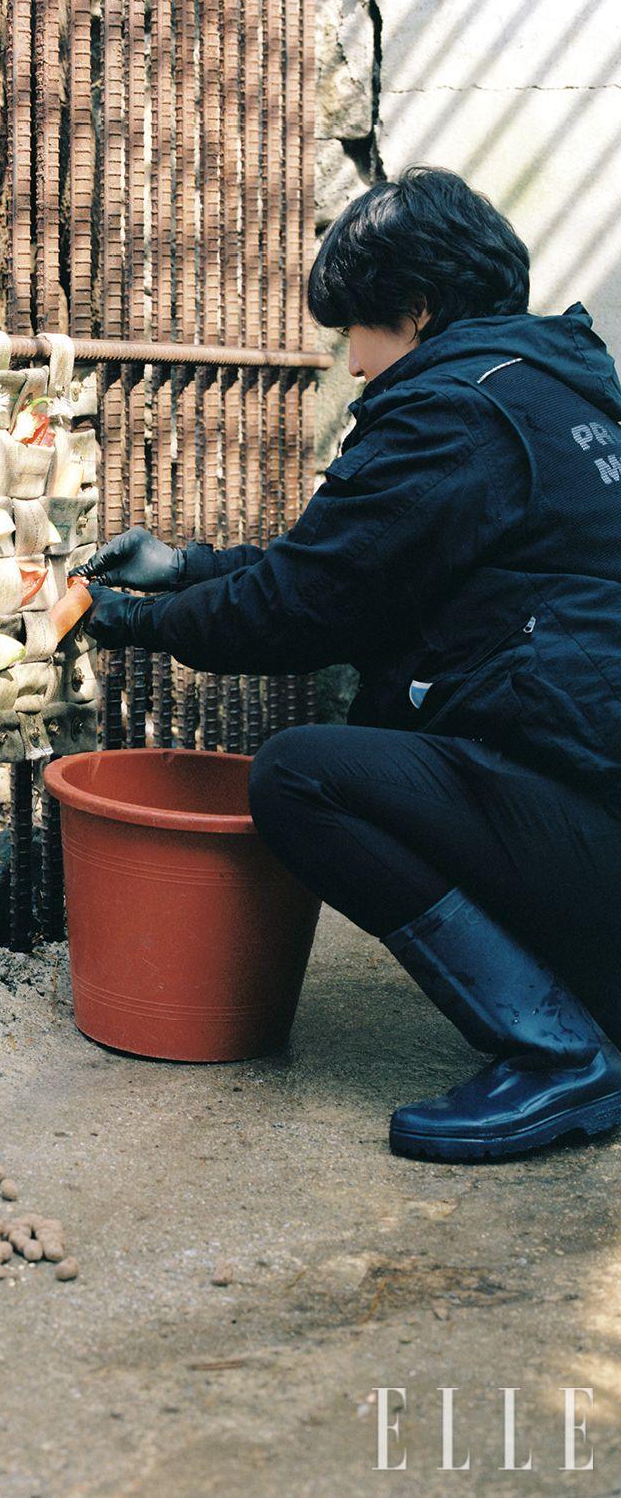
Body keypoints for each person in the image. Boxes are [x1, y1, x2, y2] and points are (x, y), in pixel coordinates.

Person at [73, 165, 621, 1164]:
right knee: (395, 716)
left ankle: (556, 1056)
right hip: (591, 809)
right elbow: (363, 572)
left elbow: (302, 608)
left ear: (415, 307)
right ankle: (580, 997)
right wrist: (189, 568)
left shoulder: (454, 410)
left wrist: (123, 621)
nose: (352, 365)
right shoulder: (542, 387)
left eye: (354, 332)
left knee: (305, 774)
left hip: (589, 825)